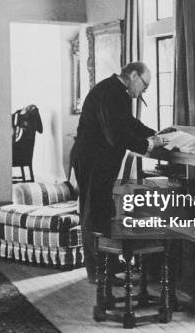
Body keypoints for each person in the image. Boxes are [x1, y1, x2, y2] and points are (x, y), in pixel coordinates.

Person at [71, 62, 164, 282]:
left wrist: (155, 133)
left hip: (94, 159)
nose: (145, 91)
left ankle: (107, 266)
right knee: (93, 212)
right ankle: (99, 272)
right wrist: (148, 144)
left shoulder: (113, 89)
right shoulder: (114, 92)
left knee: (101, 209)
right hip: (93, 160)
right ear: (133, 75)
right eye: (145, 85)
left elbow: (127, 122)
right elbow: (116, 135)